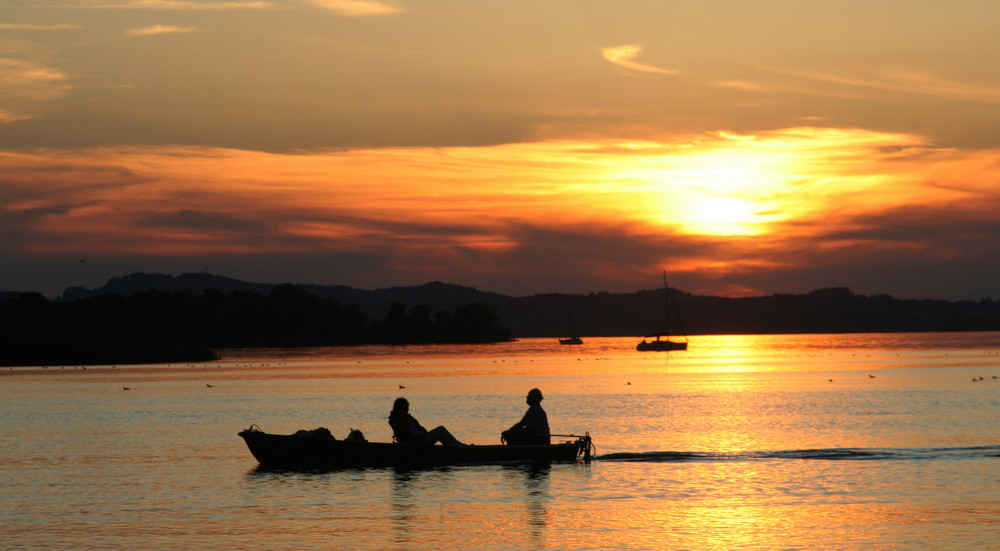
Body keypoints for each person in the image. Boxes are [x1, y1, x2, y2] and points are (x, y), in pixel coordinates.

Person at [388, 397, 465, 446]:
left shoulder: (397, 418)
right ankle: (459, 447)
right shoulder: (404, 419)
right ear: (405, 408)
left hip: (416, 441)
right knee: (441, 429)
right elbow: (415, 434)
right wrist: (425, 433)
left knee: (441, 432)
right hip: (420, 442)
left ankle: (458, 445)